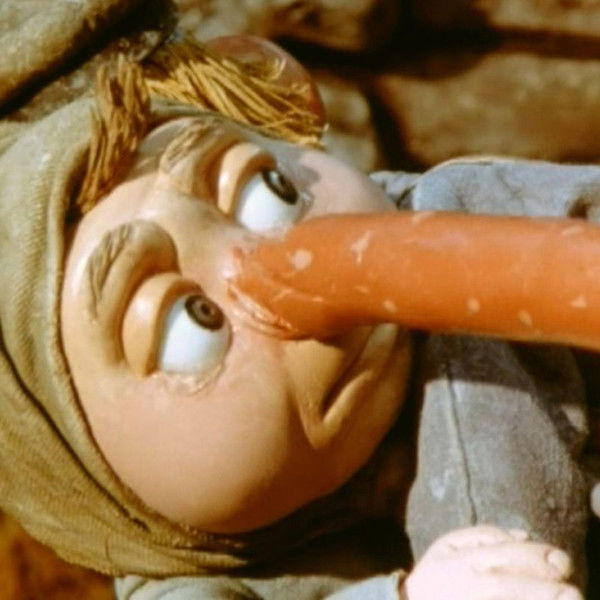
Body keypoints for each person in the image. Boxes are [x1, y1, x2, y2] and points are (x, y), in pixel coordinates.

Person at [0, 1, 591, 597]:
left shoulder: (464, 212)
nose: (301, 290)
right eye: (189, 325)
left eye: (269, 189)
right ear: (100, 485)